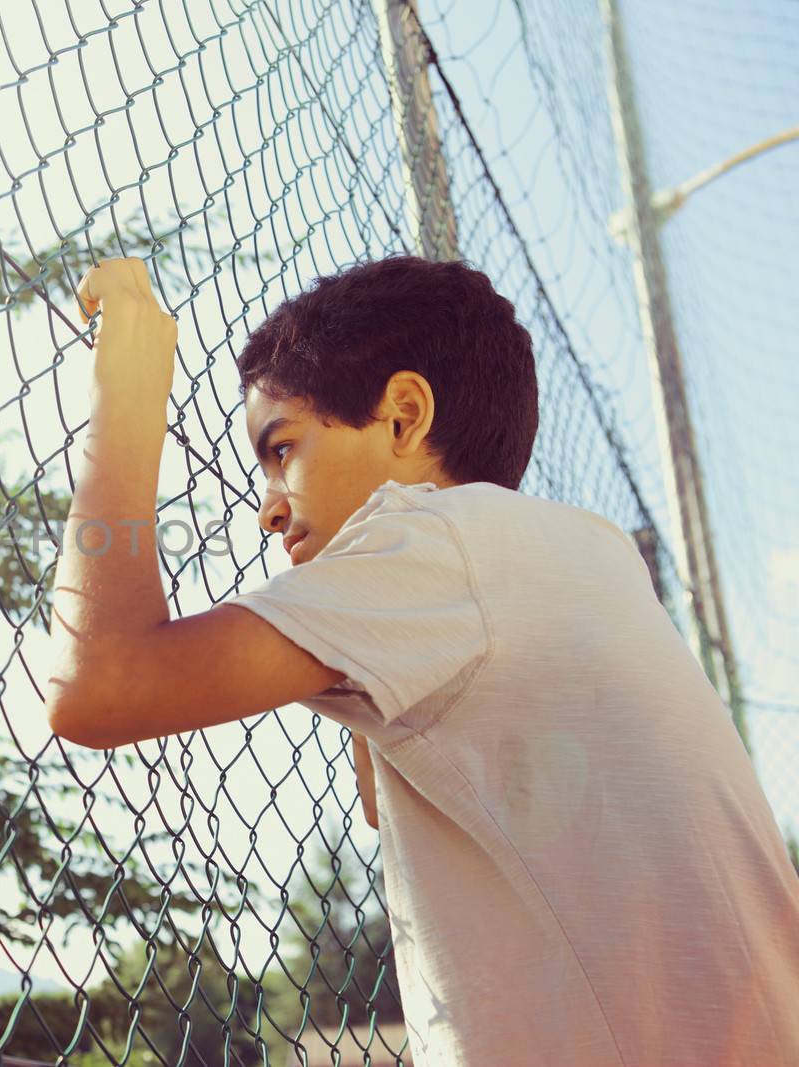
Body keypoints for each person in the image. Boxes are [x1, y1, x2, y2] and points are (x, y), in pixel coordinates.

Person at [44, 253, 799, 1066]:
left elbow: (99, 684)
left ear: (404, 416)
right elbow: (385, 790)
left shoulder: (438, 543)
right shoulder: (581, 549)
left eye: (281, 449)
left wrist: (126, 395)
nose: (266, 508)